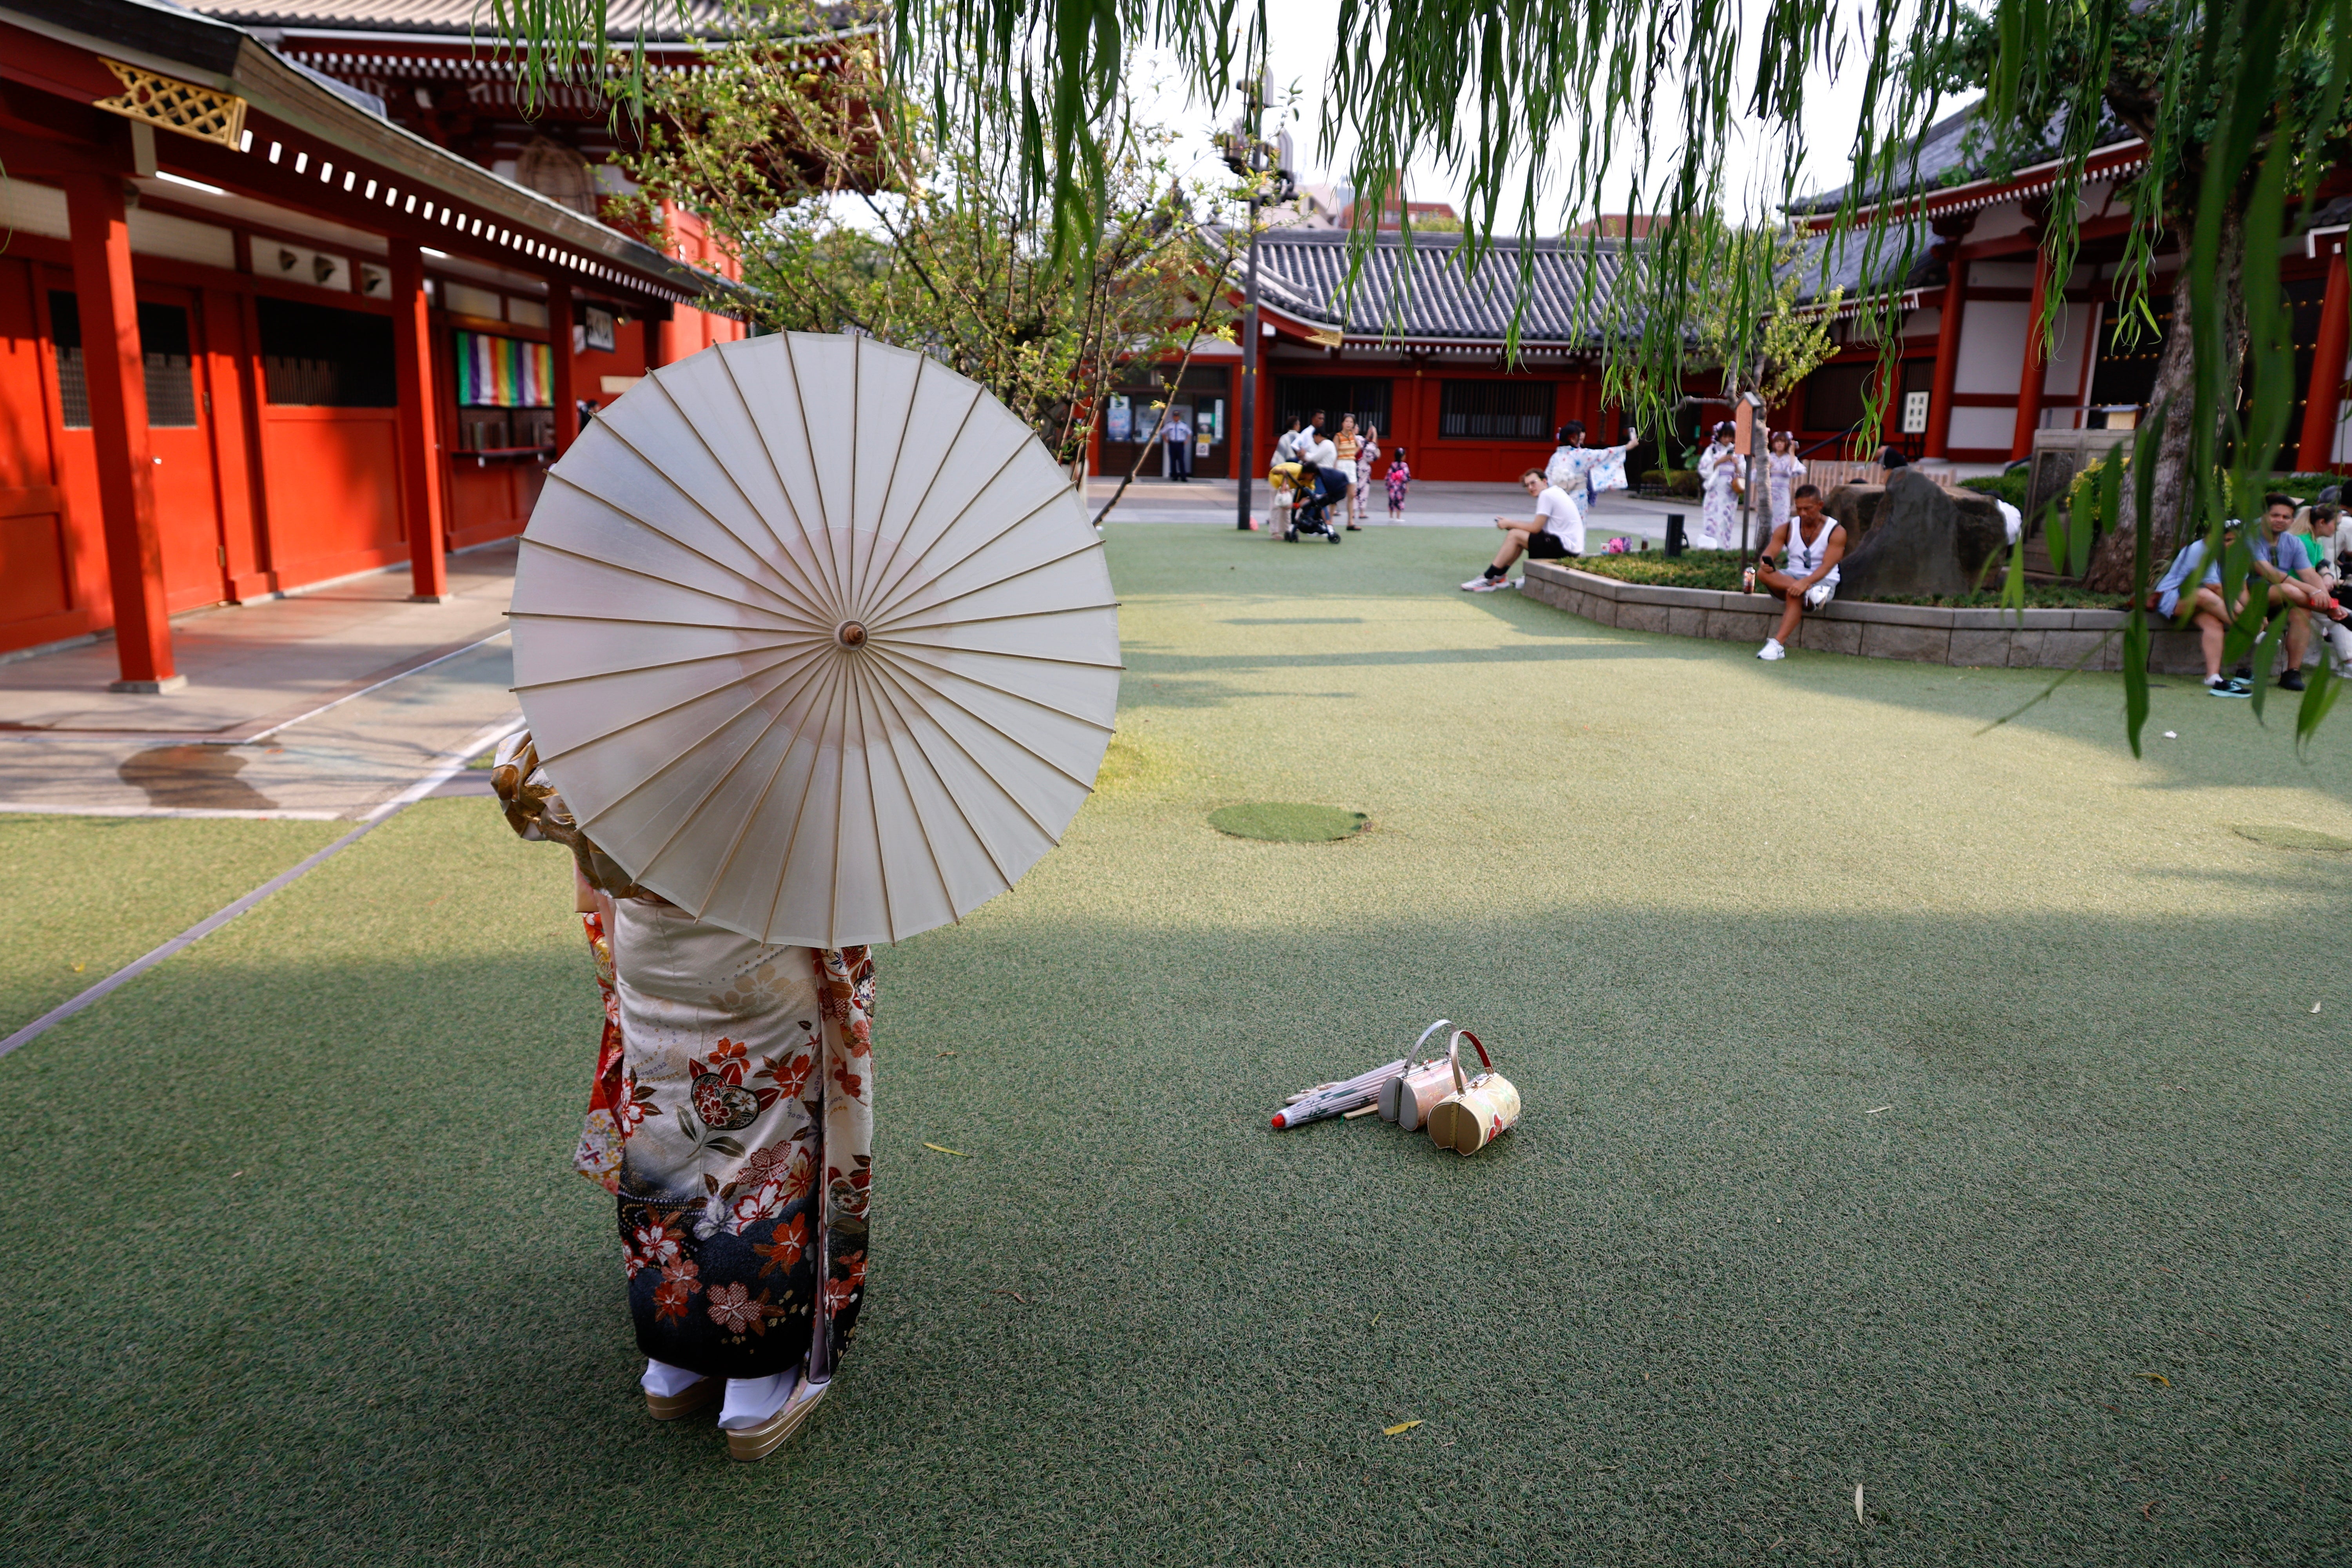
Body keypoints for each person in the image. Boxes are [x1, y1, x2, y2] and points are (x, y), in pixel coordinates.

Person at [494, 735, 876, 1463]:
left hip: (648, 951)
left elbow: (589, 883)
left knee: (666, 1141)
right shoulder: (785, 710)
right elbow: (836, 879)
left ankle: (672, 1363)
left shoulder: (613, 695)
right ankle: (754, 1380)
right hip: (753, 960)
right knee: (764, 1162)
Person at [2249, 492, 2347, 691]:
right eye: (2275, 515)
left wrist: (2325, 597)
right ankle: (2337, 613)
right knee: (2288, 589)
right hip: (2247, 592)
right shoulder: (2250, 537)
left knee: (2303, 612)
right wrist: (2316, 594)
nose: (2281, 520)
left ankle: (2292, 672)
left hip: (2280, 597)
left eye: (2286, 517)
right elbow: (2269, 574)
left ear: (2292, 520)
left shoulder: (2293, 542)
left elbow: (2310, 574)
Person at [2151, 521, 2246, 696]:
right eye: (2224, 540)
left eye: (2232, 540)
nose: (2228, 544)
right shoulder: (2200, 551)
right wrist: (2246, 615)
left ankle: (2213, 676)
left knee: (2214, 624)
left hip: (2200, 603)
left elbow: (2239, 588)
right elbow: (2216, 589)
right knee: (2204, 594)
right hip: (2172, 598)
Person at [1751, 484, 1844, 661]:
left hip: (1823, 583)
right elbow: (1769, 553)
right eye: (1799, 508)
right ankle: (1808, 593)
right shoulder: (1787, 528)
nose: (1802, 513)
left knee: (1794, 594)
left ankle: (1778, 645)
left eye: (1808, 509)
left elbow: (1827, 567)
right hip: (1795, 578)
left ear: (1820, 505)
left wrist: (1806, 583)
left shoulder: (1837, 531)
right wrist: (1766, 563)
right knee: (1763, 575)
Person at [1462, 468, 1577, 590]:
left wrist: (1510, 523)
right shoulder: (1554, 492)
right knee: (1517, 536)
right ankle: (1500, 577)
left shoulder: (1546, 495)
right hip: (1567, 548)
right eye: (1527, 485)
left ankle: (1488, 578)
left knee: (1515, 536)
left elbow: (1535, 529)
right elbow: (1538, 529)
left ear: (1544, 481)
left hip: (1565, 550)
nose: (1531, 488)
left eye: (1534, 483)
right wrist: (1511, 525)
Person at [1543, 420, 1641, 538]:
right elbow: (1604, 454)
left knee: (1559, 526)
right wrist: (1627, 447)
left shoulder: (1556, 457)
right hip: (1577, 498)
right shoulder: (1580, 454)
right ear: (1573, 439)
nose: (1581, 437)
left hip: (1558, 498)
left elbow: (1547, 478)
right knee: (1577, 527)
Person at [1695, 422, 1742, 549]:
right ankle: (1709, 547)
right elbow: (1703, 469)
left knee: (1726, 520)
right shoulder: (1713, 450)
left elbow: (1742, 472)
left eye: (1730, 437)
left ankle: (1724, 547)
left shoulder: (1737, 451)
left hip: (1729, 491)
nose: (1727, 440)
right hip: (1715, 489)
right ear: (1719, 436)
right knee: (1712, 518)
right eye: (1724, 436)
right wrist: (1718, 462)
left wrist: (1737, 464)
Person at [1763, 431, 1806, 531]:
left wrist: (1792, 452)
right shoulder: (1769, 458)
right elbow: (1757, 475)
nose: (1779, 444)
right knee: (1767, 518)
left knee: (1781, 518)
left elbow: (1796, 470)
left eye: (1782, 442)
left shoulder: (1789, 458)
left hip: (1782, 493)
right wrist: (1767, 469)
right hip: (1769, 491)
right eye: (1777, 441)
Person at [1333, 415, 1362, 528]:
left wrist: (1351, 453)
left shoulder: (1352, 435)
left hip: (1351, 464)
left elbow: (1359, 446)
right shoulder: (1338, 436)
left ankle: (1350, 522)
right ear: (1343, 423)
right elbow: (1334, 453)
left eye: (1351, 422)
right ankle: (1330, 521)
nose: (1349, 424)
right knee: (1335, 494)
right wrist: (1334, 468)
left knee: (1351, 495)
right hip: (1341, 464)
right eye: (1347, 421)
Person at [1354, 423, 1380, 528]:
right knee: (1363, 488)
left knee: (1356, 488)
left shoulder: (1357, 439)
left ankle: (1355, 511)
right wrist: (1375, 436)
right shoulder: (1357, 438)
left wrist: (1368, 436)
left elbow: (1364, 445)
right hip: (1362, 466)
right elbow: (1371, 448)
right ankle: (1361, 511)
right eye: (1356, 427)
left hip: (1356, 466)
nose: (1358, 429)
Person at [1162, 407, 1193, 481]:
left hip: (1180, 444)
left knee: (1181, 461)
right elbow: (1163, 432)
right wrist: (1166, 440)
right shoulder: (1169, 425)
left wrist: (1187, 441)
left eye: (1177, 416)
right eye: (1175, 416)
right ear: (1173, 417)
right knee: (1173, 461)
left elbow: (1190, 433)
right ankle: (1174, 476)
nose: (1176, 418)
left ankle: (1183, 477)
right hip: (1172, 444)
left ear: (1179, 417)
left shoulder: (1183, 425)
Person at [1386, 445, 1412, 519]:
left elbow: (1389, 475)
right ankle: (1398, 517)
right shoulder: (1404, 465)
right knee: (1400, 500)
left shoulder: (1393, 465)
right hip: (1400, 486)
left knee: (1392, 500)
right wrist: (1407, 487)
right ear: (1403, 456)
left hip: (1393, 486)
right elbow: (1406, 477)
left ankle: (1391, 516)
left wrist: (1389, 485)